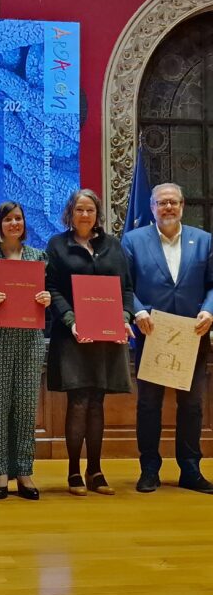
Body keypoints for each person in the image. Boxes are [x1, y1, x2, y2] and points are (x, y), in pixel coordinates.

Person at [121, 183, 213, 494]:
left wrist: (209, 310)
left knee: (193, 405)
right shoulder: (133, 240)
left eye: (173, 202)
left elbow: (212, 285)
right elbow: (124, 285)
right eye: (162, 203)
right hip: (152, 334)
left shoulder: (204, 240)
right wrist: (137, 311)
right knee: (149, 405)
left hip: (193, 335)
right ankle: (149, 469)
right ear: (152, 207)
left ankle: (190, 469)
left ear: (182, 206)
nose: (168, 207)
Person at [46, 189, 133, 496]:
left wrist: (125, 317)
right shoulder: (57, 245)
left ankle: (95, 471)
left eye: (90, 210)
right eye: (79, 209)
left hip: (107, 336)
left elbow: (126, 289)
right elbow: (51, 288)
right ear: (70, 213)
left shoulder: (113, 245)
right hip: (73, 335)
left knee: (97, 401)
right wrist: (71, 320)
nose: (85, 215)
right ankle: (73, 471)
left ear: (97, 214)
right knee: (79, 400)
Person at [0, 201, 50, 500]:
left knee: (25, 406)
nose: (14, 223)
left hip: (30, 340)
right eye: (8, 219)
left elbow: (48, 297)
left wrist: (45, 299)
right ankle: (0, 472)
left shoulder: (38, 256)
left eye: (18, 218)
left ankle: (24, 470)